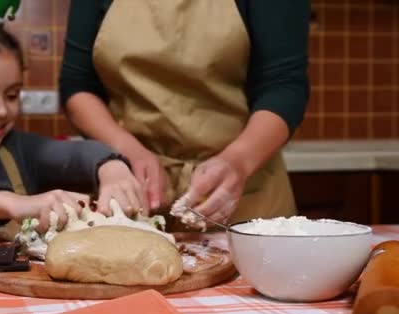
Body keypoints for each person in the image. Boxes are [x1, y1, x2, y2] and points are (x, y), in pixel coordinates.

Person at [59, 0, 310, 227]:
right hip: (131, 194)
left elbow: (284, 85)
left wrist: (239, 160)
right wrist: (125, 148)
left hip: (245, 194)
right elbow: (77, 85)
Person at [0, 5, 146, 242]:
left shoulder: (21, 148)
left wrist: (111, 166)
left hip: (14, 278)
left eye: (12, 95)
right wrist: (15, 203)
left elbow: (77, 154)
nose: (1, 110)